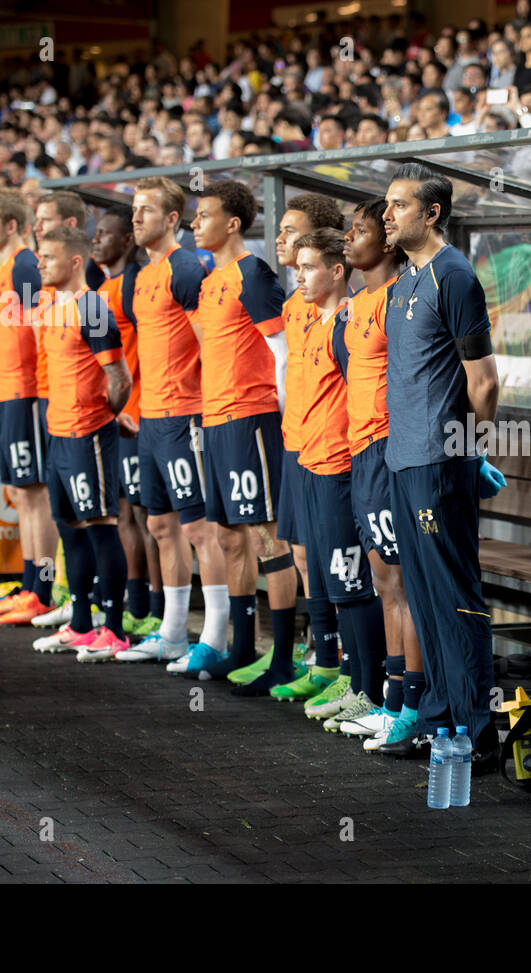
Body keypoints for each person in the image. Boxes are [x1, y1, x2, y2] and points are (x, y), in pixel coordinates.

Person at [379, 162, 504, 769]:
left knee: (455, 595)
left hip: (439, 458)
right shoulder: (403, 281)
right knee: (423, 594)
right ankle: (439, 718)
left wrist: (468, 449)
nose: (387, 215)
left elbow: (483, 383)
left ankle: (478, 728)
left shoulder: (454, 276)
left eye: (399, 205)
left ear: (431, 213)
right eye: (386, 205)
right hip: (402, 458)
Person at [85, 176, 228, 665]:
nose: (136, 218)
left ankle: (214, 637)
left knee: (200, 529)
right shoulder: (140, 277)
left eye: (146, 210)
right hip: (150, 419)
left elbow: (210, 344)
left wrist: (209, 409)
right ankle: (171, 633)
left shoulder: (185, 268)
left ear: (172, 219)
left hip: (186, 416)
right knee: (162, 527)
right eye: (134, 210)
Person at [186, 179, 292, 681]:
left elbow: (283, 352)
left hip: (253, 417)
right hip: (216, 420)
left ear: (232, 223)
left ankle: (287, 655)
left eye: (202, 215)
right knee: (230, 537)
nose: (193, 223)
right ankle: (244, 646)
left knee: (268, 536)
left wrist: (290, 416)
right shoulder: (209, 282)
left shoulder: (254, 273)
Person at [290, 227, 389, 732]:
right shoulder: (314, 321)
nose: (298, 274)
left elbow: (365, 396)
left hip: (342, 471)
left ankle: (372, 692)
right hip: (311, 465)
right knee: (335, 584)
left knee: (354, 584)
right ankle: (355, 682)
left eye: (308, 266)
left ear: (335, 270)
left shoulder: (345, 325)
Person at [337, 199, 423, 747]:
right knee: (382, 580)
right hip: (360, 451)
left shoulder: (400, 296)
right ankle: (391, 701)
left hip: (390, 449)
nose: (349, 239)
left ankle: (412, 705)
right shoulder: (361, 300)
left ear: (387, 244)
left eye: (361, 231)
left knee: (404, 581)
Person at [34, 225, 133, 660]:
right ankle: (79, 623)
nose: (40, 264)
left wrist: (106, 417)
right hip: (58, 432)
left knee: (101, 527)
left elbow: (120, 377)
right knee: (70, 530)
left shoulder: (92, 308)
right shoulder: (52, 304)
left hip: (88, 432)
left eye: (48, 258)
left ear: (75, 262)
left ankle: (113, 629)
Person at [264, 194, 345, 703]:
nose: (283, 241)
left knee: (332, 557)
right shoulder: (293, 305)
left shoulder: (343, 310)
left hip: (331, 450)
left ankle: (341, 661)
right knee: (297, 551)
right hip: (295, 440)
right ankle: (321, 657)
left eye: (294, 233)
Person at [0, 189, 59, 624]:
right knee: (21, 493)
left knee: (35, 493)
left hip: (26, 390)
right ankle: (29, 585)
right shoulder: (6, 267)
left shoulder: (26, 263)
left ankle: (41, 590)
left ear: (11, 225)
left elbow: (42, 325)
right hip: (7, 391)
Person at [91, 206, 163, 640]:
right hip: (113, 417)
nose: (97, 239)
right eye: (94, 233)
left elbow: (151, 344)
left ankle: (154, 608)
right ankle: (134, 603)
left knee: (146, 515)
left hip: (138, 414)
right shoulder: (104, 286)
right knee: (122, 512)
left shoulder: (134, 283)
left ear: (126, 241)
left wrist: (135, 402)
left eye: (105, 233)